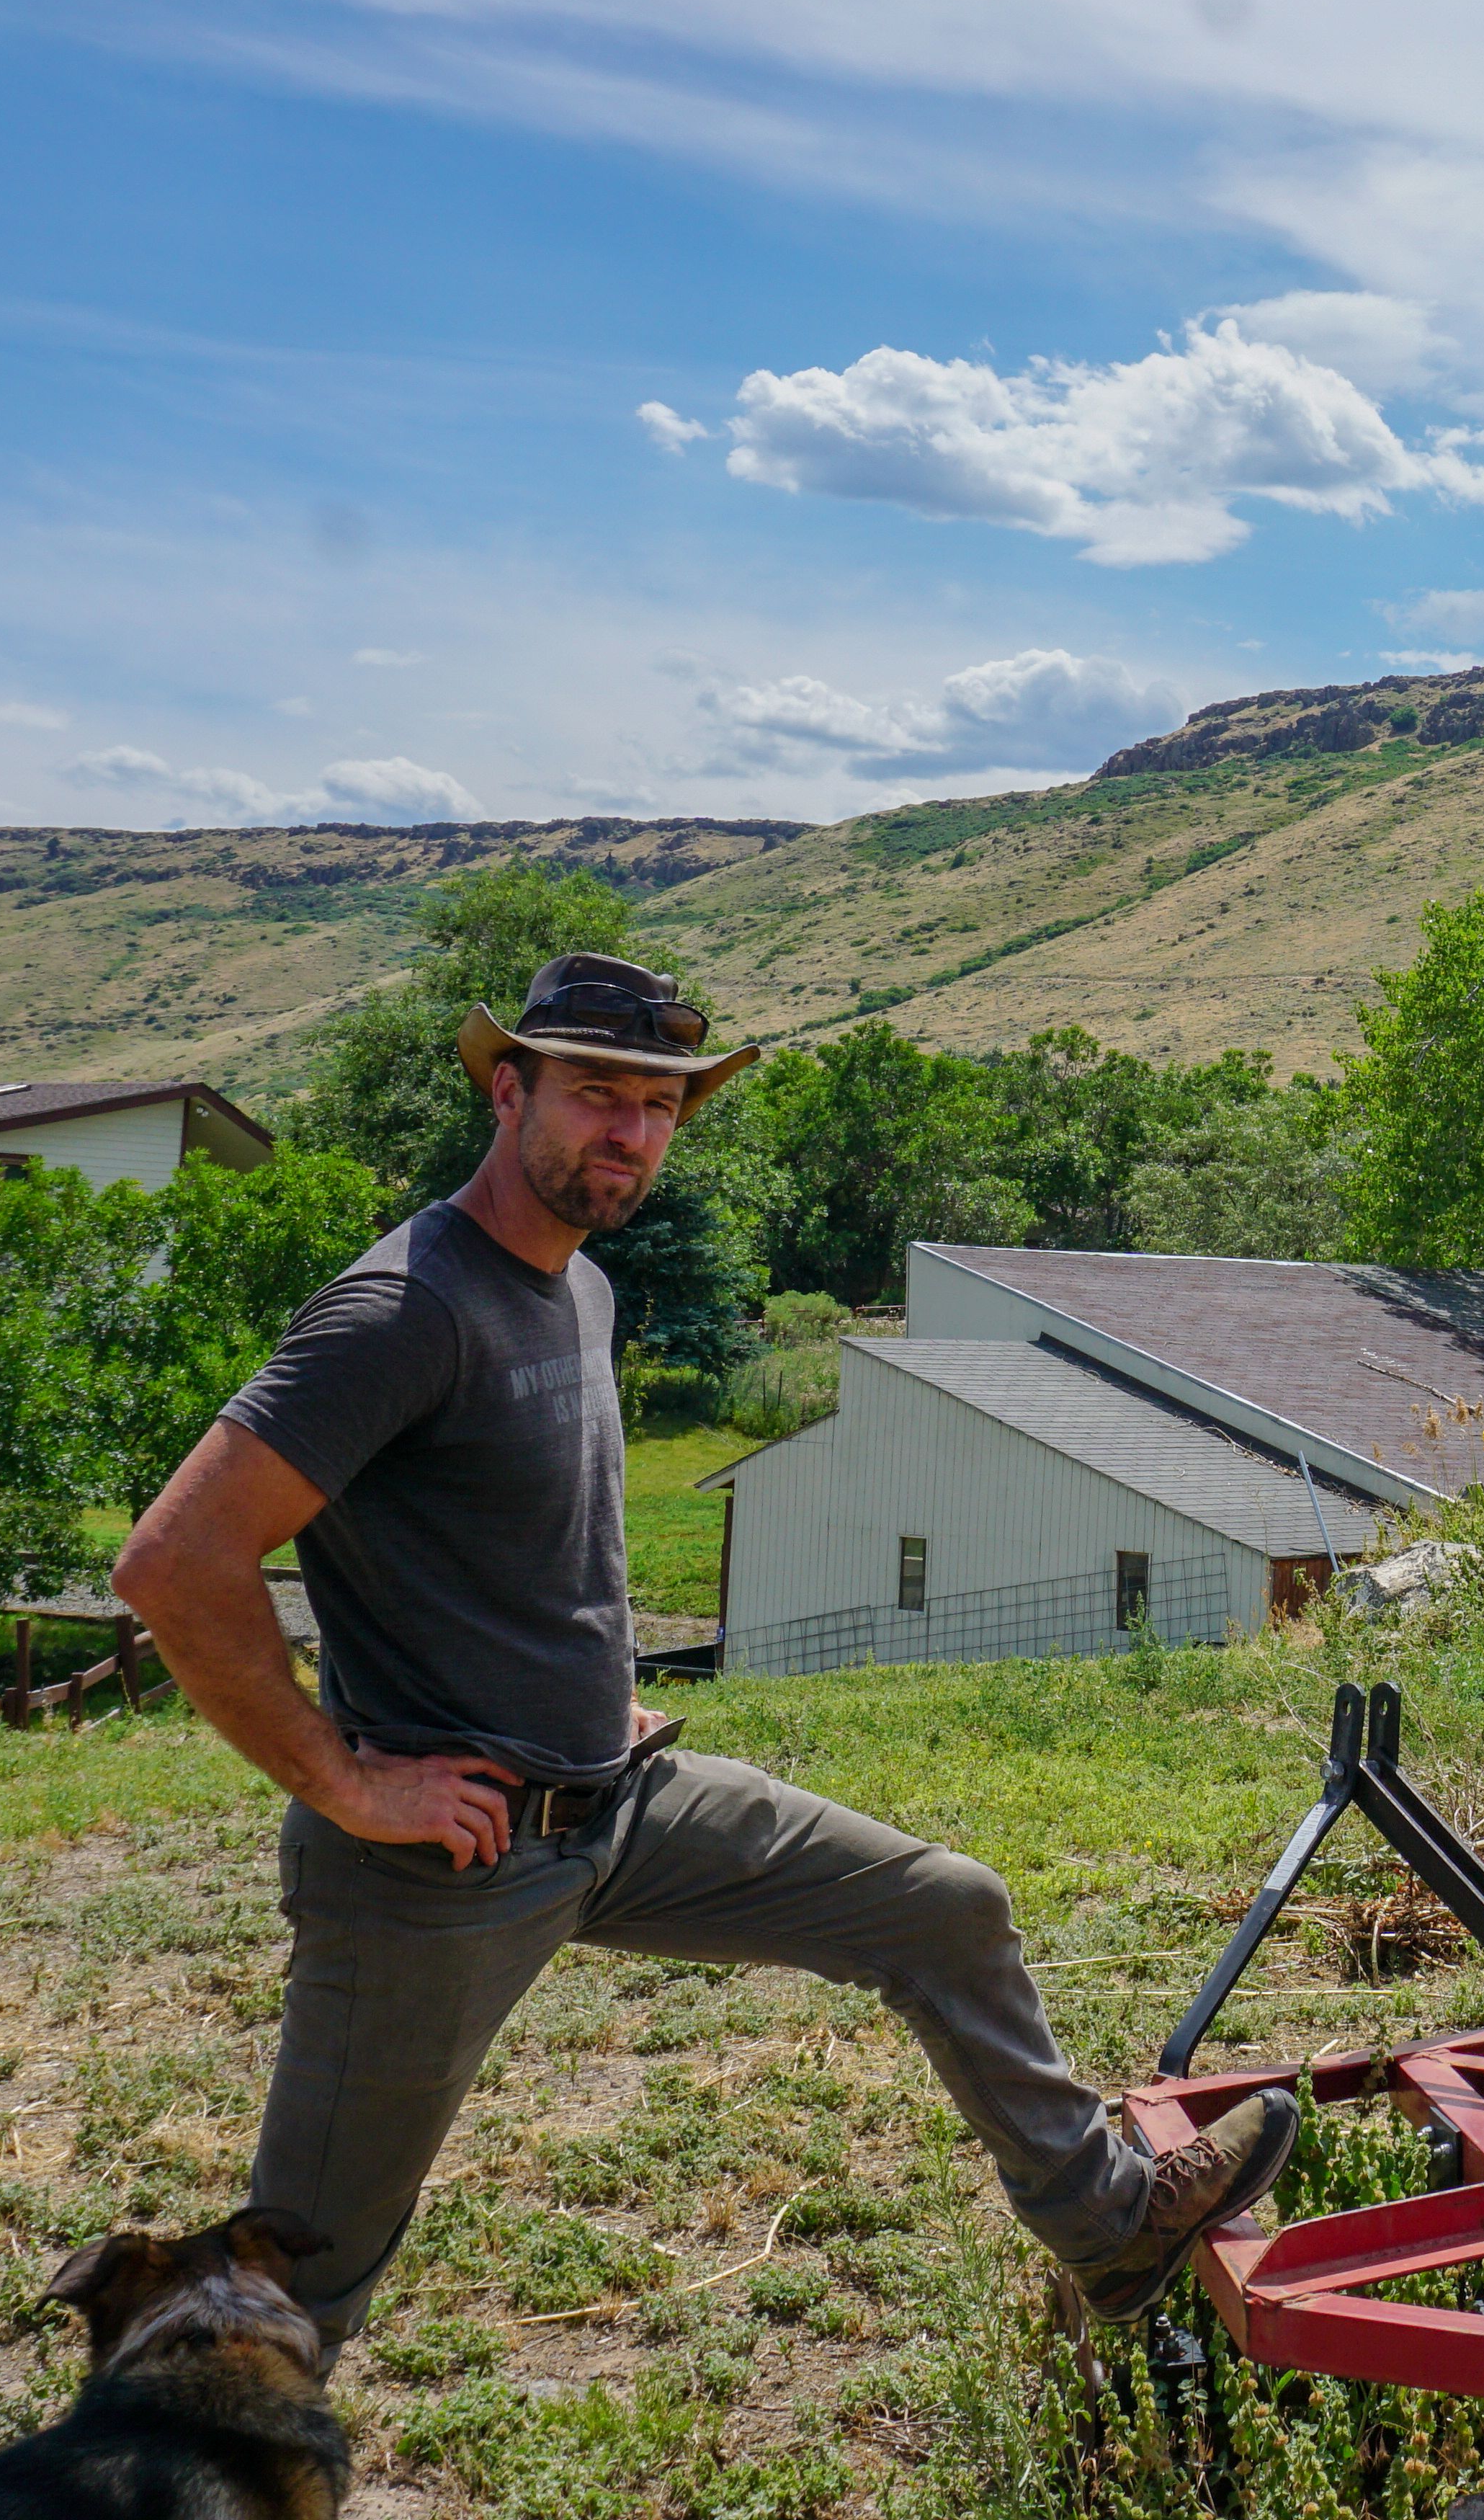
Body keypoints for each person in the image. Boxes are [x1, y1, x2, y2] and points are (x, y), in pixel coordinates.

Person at [109, 953, 1294, 2347]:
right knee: (291, 2297)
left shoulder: (578, 1290)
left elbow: (520, 1544)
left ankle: (1107, 2225)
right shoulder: (402, 1310)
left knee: (947, 1909)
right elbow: (175, 1562)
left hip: (616, 1809)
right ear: (510, 1091)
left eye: (661, 1106)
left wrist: (585, 1683)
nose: (630, 1133)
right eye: (595, 1095)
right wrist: (354, 1789)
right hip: (439, 1871)